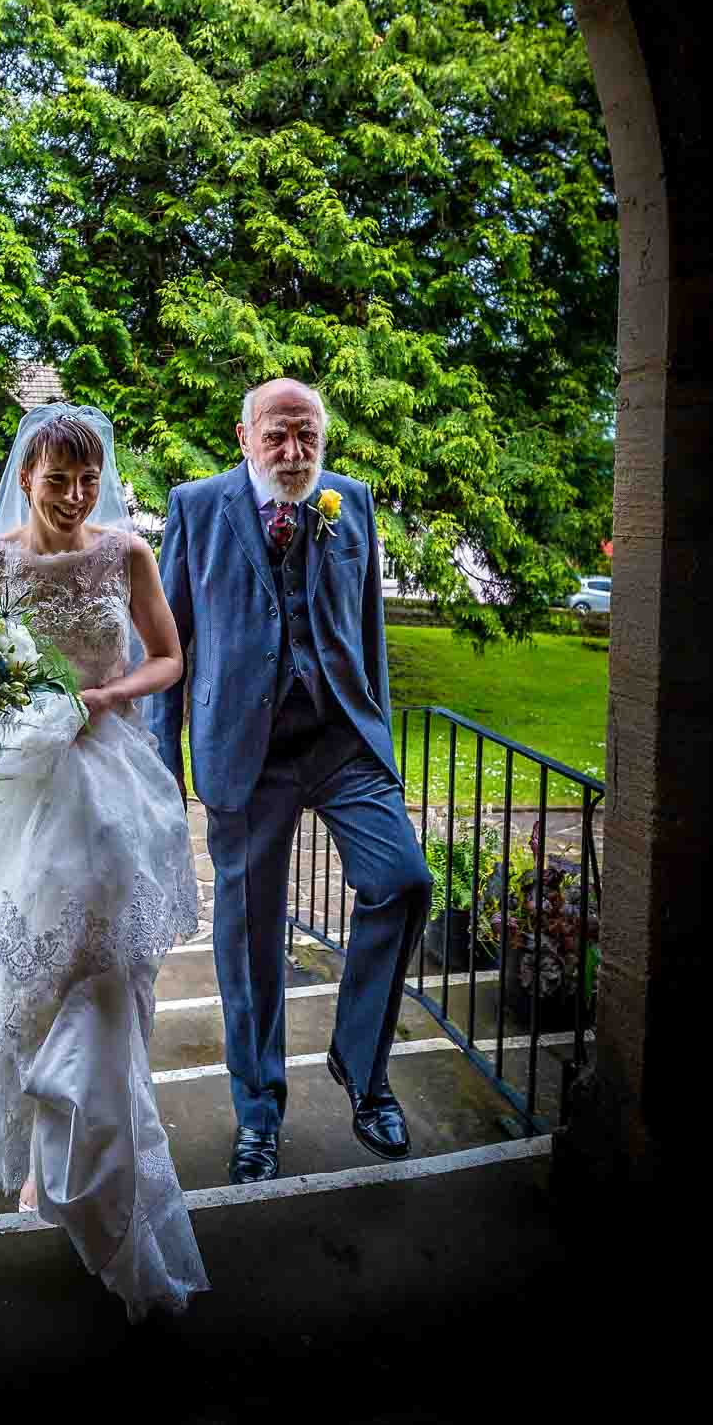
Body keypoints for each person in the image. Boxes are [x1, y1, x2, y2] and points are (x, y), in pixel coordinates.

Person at [0, 404, 209, 1322]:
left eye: (89, 480)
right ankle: (49, 1157)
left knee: (110, 972)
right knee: (33, 977)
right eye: (59, 480)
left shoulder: (126, 553)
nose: (75, 496)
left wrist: (108, 693)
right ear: (28, 475)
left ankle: (94, 1155)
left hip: (113, 777)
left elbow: (167, 657)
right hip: (31, 788)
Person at [148, 378, 432, 1184]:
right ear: (244, 438)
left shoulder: (352, 502)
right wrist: (163, 768)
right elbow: (166, 650)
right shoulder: (197, 508)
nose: (293, 452)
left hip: (343, 741)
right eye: (276, 436)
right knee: (250, 941)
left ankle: (362, 1068)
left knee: (404, 882)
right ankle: (259, 1115)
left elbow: (367, 626)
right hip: (247, 753)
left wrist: (378, 740)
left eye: (306, 436)